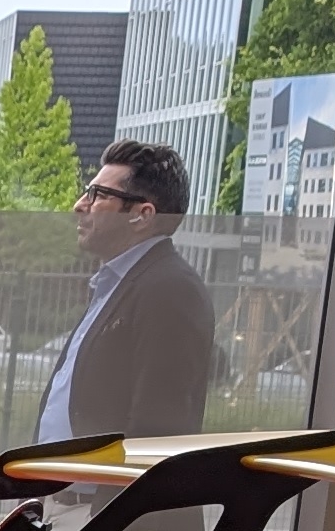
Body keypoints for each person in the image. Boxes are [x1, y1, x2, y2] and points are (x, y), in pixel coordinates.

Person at [35, 140, 213, 444]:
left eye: (98, 195)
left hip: (102, 478)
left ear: (142, 215)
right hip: (64, 475)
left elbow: (157, 431)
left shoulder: (170, 289)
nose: (79, 205)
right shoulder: (119, 283)